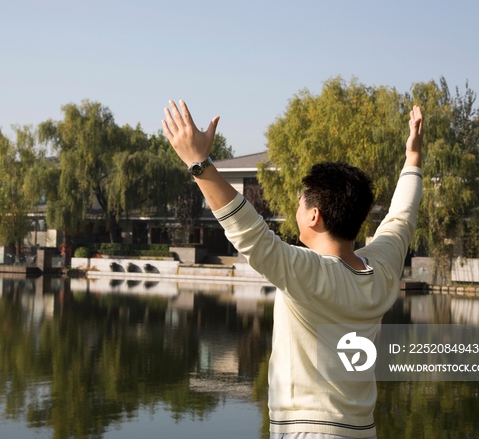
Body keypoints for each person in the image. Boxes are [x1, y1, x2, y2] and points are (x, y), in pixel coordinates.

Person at [162, 100, 423, 439]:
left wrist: (199, 164)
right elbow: (402, 218)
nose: (296, 208)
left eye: (301, 203)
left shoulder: (310, 272)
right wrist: (413, 159)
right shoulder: (383, 269)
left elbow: (251, 233)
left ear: (315, 216)